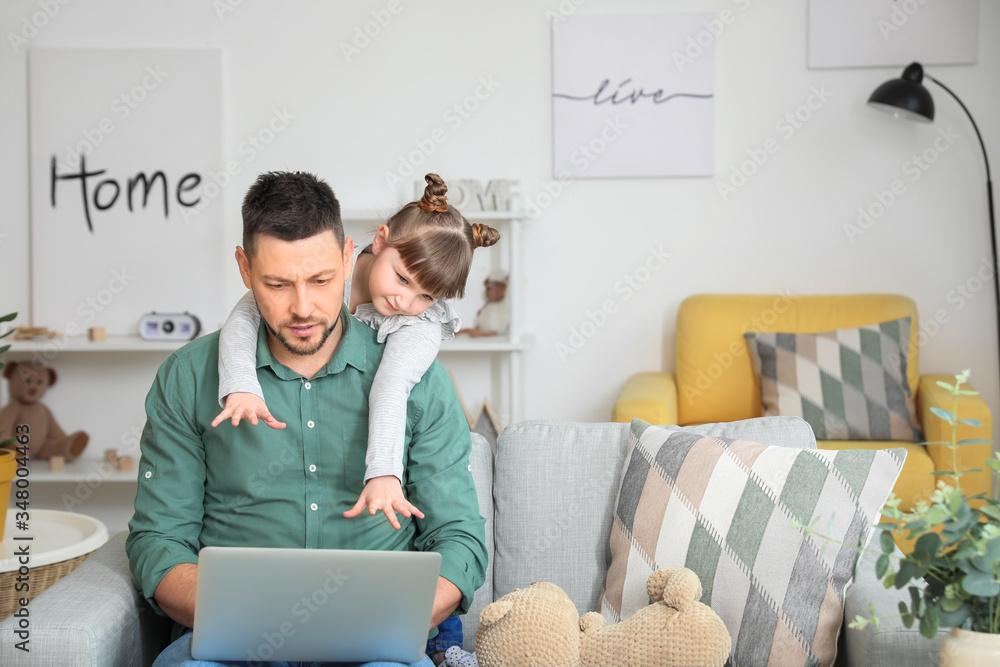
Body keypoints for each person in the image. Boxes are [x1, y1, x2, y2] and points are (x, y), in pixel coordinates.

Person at [125, 171, 489, 667]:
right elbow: (159, 540)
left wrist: (390, 617)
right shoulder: (188, 377)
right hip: (232, 647)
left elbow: (460, 539)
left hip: (375, 646)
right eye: (277, 284)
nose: (302, 308)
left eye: (321, 281)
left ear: (347, 256)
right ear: (244, 268)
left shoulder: (420, 378)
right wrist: (252, 619)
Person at [213, 174, 499, 533]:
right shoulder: (327, 272)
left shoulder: (419, 326)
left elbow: (392, 389)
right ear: (380, 241)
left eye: (426, 296)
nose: (404, 302)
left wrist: (383, 473)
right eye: (401, 279)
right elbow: (247, 311)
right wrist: (241, 385)